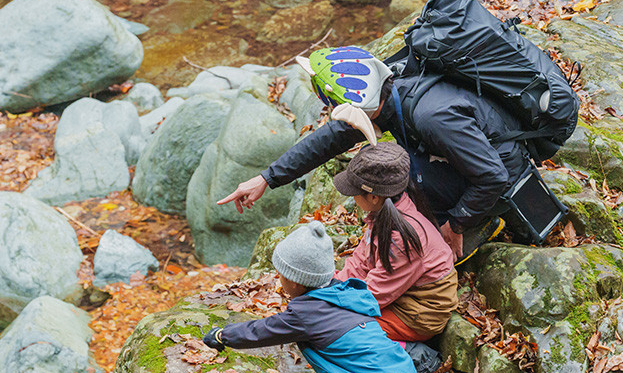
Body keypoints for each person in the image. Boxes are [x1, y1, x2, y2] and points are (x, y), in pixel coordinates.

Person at [218, 45, 523, 264]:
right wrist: (265, 178)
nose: (329, 110)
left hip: (503, 174)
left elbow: (493, 176)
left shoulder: (433, 117)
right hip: (474, 160)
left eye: (332, 103)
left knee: (395, 176)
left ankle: (478, 223)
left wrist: (456, 225)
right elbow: (326, 141)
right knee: (390, 166)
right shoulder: (388, 95)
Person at [202, 221, 455, 373]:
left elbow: (261, 331)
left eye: (281, 274)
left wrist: (224, 335)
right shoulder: (347, 293)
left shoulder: (305, 314)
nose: (279, 279)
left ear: (295, 280)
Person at [331, 142, 457, 344]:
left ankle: (411, 354)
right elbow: (362, 260)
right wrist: (332, 285)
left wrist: (332, 303)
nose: (352, 196)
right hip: (401, 294)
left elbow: (375, 294)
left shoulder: (402, 237)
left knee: (340, 327)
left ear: (373, 196)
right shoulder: (385, 210)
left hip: (420, 313)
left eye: (354, 191)